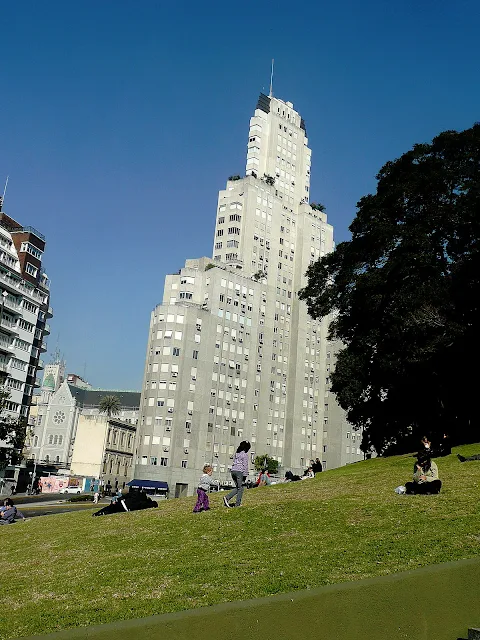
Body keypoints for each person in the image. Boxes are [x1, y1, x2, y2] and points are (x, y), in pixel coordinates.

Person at [224, 441, 250, 508]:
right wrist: (245, 475)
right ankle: (234, 502)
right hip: (239, 472)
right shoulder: (245, 454)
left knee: (238, 488)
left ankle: (228, 498)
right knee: (240, 488)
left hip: (233, 471)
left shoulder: (237, 454)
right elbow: (245, 465)